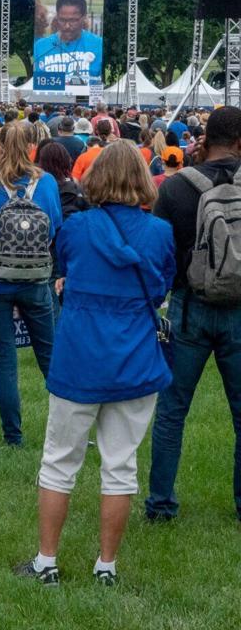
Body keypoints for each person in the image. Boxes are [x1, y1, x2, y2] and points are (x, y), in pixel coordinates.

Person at [15, 141, 173, 587]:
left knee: (58, 462)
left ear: (95, 176)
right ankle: (106, 566)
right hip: (135, 359)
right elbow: (160, 291)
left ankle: (47, 562)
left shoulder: (75, 228)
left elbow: (62, 267)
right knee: (120, 465)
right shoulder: (158, 233)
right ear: (142, 179)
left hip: (80, 357)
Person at [147, 106, 241, 523]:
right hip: (238, 309)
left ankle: (161, 503)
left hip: (189, 306)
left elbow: (160, 254)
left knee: (172, 411)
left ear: (207, 139)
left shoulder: (176, 187)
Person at [0, 123, 63, 446]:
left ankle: (13, 436)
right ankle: (66, 430)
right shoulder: (46, 183)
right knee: (49, 357)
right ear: (32, 146)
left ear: (0, 147)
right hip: (37, 280)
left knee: (5, 362)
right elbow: (53, 230)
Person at [33, 0, 103, 87]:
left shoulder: (99, 45)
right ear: (57, 16)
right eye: (62, 20)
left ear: (84, 17)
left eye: (73, 20)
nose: (67, 26)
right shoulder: (40, 47)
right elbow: (37, 85)